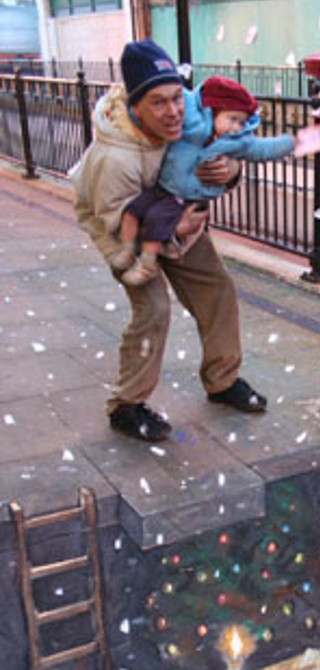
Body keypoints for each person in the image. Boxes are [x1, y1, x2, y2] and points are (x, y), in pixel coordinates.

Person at [71, 40, 269, 442]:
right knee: (154, 309)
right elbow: (119, 225)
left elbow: (223, 139)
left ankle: (222, 380)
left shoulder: (189, 114)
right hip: (123, 228)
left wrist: (229, 170)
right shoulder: (115, 159)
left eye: (177, 97)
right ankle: (126, 406)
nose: (174, 111)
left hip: (172, 211)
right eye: (158, 103)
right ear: (135, 105)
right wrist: (174, 229)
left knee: (216, 288)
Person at [114, 76, 303, 287]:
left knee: (156, 220)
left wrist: (294, 142)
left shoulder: (239, 141)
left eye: (241, 122)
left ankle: (146, 265)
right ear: (213, 111)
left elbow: (264, 149)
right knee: (132, 211)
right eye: (232, 119)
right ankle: (126, 250)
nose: (236, 127)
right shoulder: (192, 120)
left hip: (184, 196)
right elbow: (172, 100)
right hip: (163, 186)